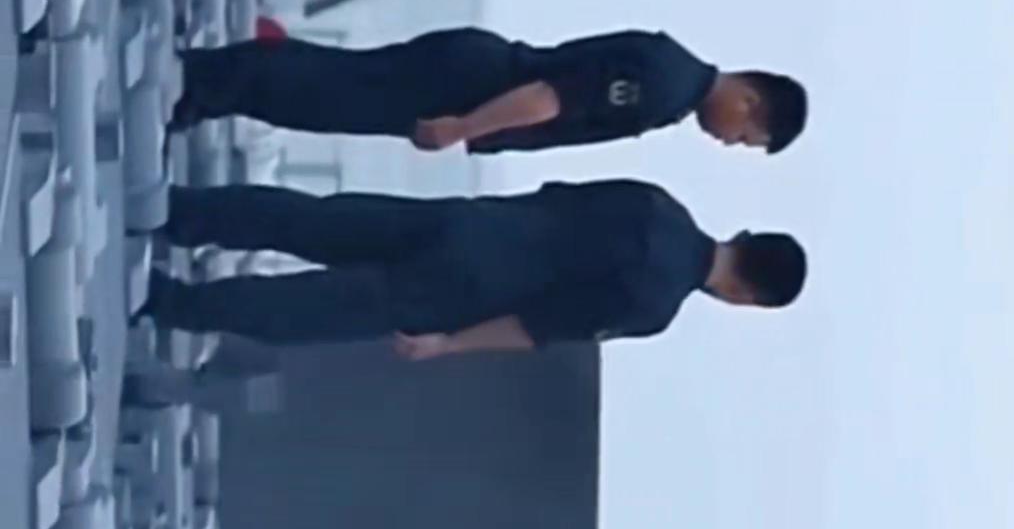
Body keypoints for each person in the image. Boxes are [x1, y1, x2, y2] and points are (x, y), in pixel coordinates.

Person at [141, 179, 808, 349]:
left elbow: (554, 197)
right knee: (307, 308)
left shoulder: (658, 204)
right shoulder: (653, 305)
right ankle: (170, 301)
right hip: (463, 290)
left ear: (746, 236)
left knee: (312, 221)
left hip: (467, 222)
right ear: (747, 297)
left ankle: (175, 211)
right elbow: (539, 324)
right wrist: (448, 345)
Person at [171, 25, 807, 156]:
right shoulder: (664, 87)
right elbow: (554, 97)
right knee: (326, 94)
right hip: (472, 87)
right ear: (750, 101)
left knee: (334, 83)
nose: (731, 141)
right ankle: (197, 84)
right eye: (746, 136)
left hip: (472, 69)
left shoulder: (673, 70)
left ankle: (204, 85)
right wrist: (464, 127)